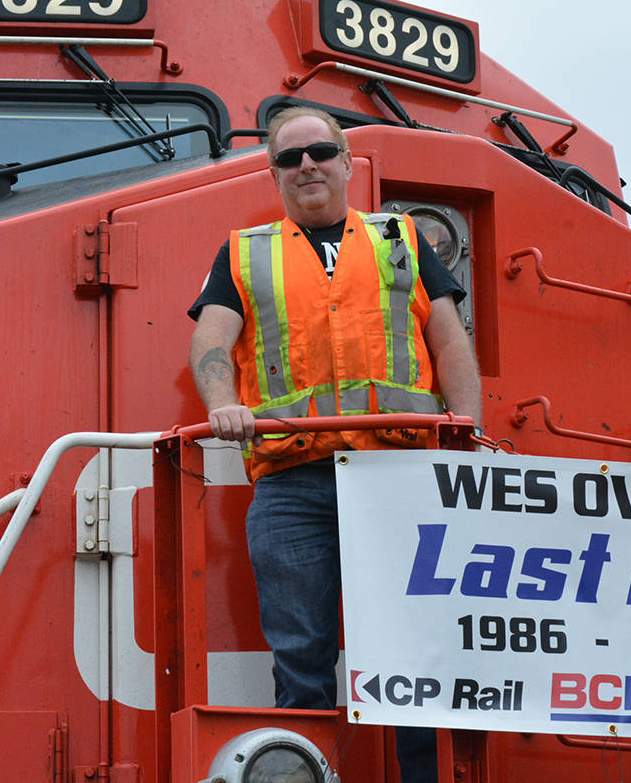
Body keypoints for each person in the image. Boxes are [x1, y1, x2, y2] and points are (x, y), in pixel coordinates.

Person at [187, 106, 481, 782]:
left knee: (414, 654)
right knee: (301, 660)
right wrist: (221, 402)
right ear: (273, 175)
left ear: (347, 162)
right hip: (292, 485)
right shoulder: (244, 253)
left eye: (320, 152)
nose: (306, 166)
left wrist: (466, 434)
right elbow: (210, 337)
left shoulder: (400, 238)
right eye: (289, 158)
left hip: (400, 478)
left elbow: (449, 340)